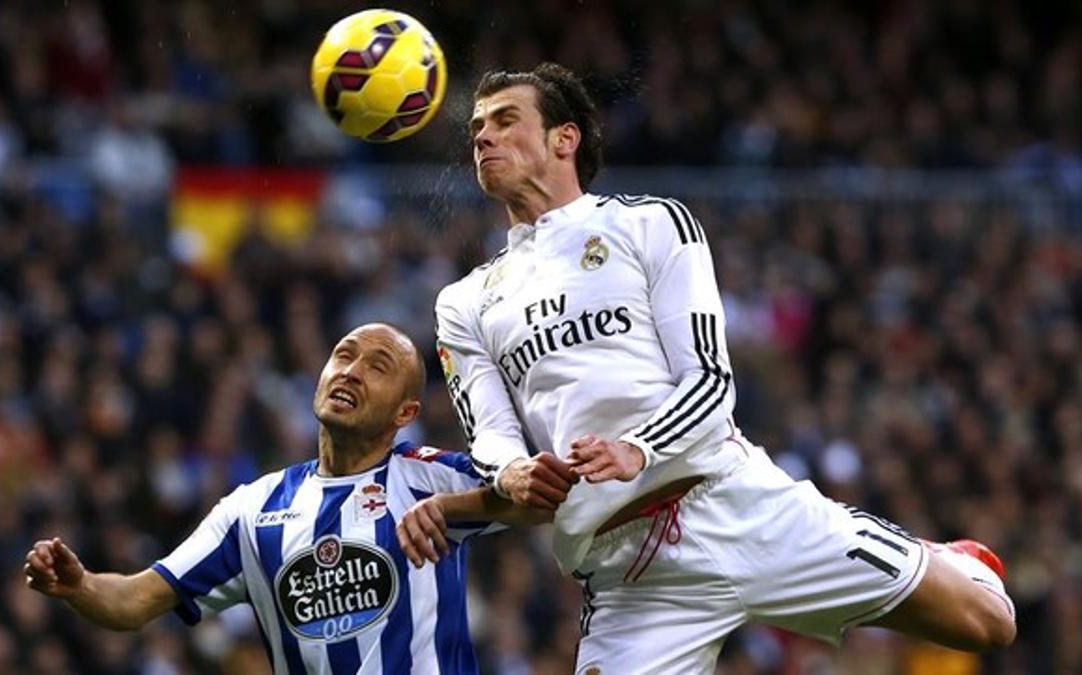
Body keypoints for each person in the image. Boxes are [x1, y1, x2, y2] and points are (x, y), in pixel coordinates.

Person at [412, 62, 1016, 673]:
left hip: (735, 504)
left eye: (506, 120)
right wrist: (511, 471)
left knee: (987, 622)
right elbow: (489, 433)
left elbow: (710, 382)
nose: (483, 138)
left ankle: (946, 558)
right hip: (630, 575)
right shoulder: (464, 301)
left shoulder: (648, 223)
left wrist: (637, 450)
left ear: (563, 139)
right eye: (477, 128)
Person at [24, 323, 547, 674]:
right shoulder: (252, 510)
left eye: (378, 366)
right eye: (343, 356)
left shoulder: (430, 478)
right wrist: (80, 585)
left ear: (405, 414)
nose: (351, 370)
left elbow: (537, 497)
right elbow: (135, 601)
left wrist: (452, 510)